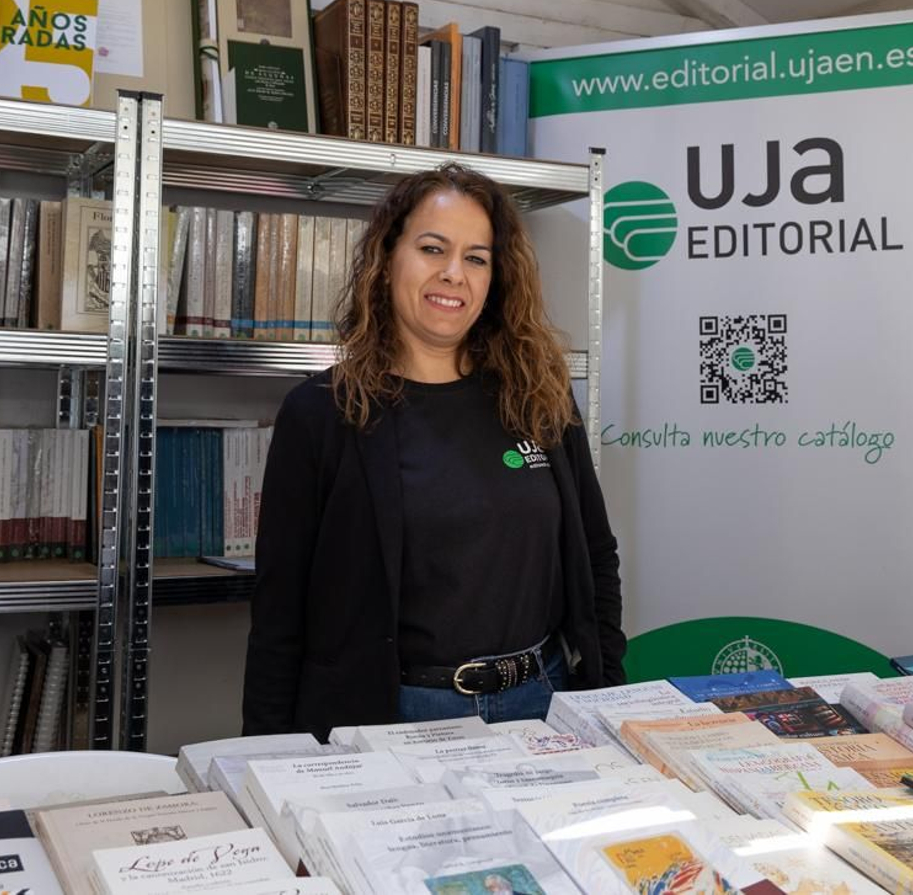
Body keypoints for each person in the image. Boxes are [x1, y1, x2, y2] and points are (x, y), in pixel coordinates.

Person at [241, 163, 625, 739]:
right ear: (388, 257)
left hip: (544, 705)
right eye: (432, 248)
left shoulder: (539, 397)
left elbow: (596, 556)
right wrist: (268, 755)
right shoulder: (321, 413)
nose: (454, 274)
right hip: (395, 717)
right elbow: (279, 614)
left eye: (476, 258)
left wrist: (607, 699)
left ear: (496, 278)